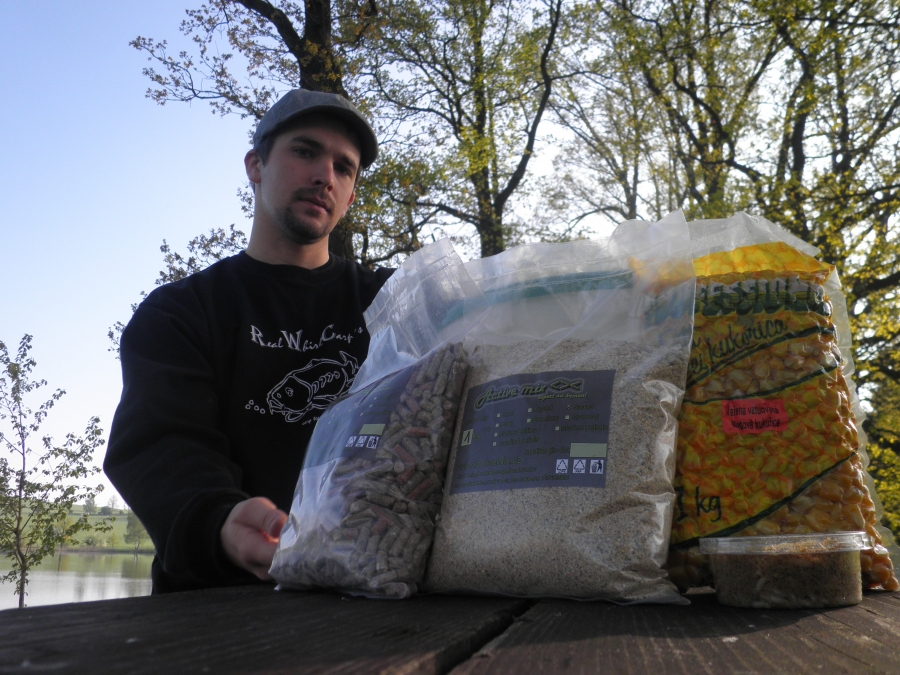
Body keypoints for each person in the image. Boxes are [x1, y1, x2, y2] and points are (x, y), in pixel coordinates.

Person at [104, 90, 394, 593]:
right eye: (304, 151)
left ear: (350, 196)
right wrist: (220, 520)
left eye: (344, 167)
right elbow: (161, 444)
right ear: (255, 165)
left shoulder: (395, 304)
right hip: (218, 604)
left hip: (379, 596)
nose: (325, 175)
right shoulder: (179, 312)